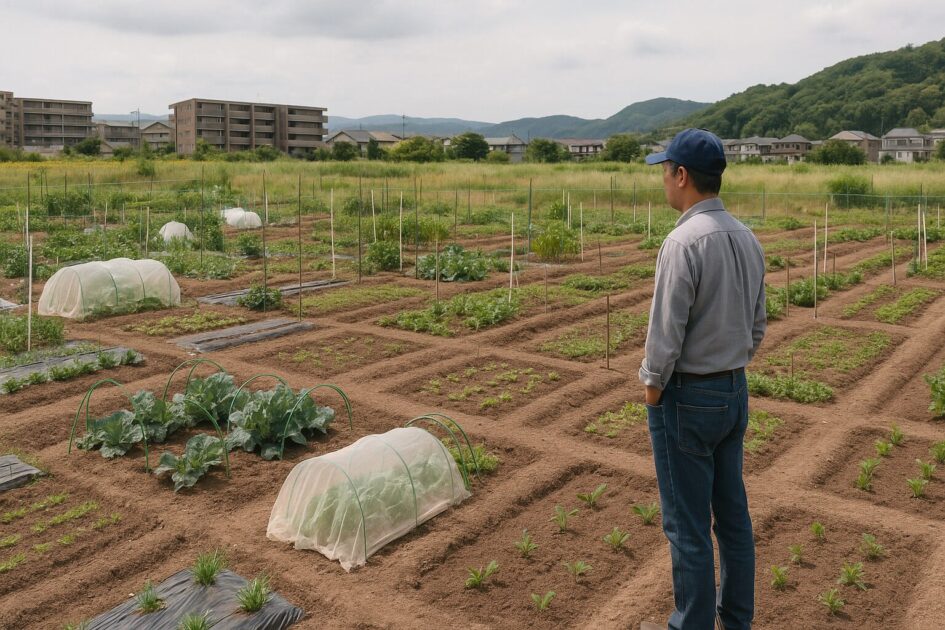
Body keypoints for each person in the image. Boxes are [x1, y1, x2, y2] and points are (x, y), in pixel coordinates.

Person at [638, 128, 766, 630]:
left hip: (688, 398)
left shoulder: (682, 242)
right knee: (732, 519)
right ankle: (735, 621)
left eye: (664, 171)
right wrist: (732, 362)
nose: (663, 181)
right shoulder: (746, 236)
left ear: (682, 175)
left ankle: (690, 624)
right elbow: (757, 324)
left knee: (687, 525)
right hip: (734, 391)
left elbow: (665, 332)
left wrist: (653, 390)